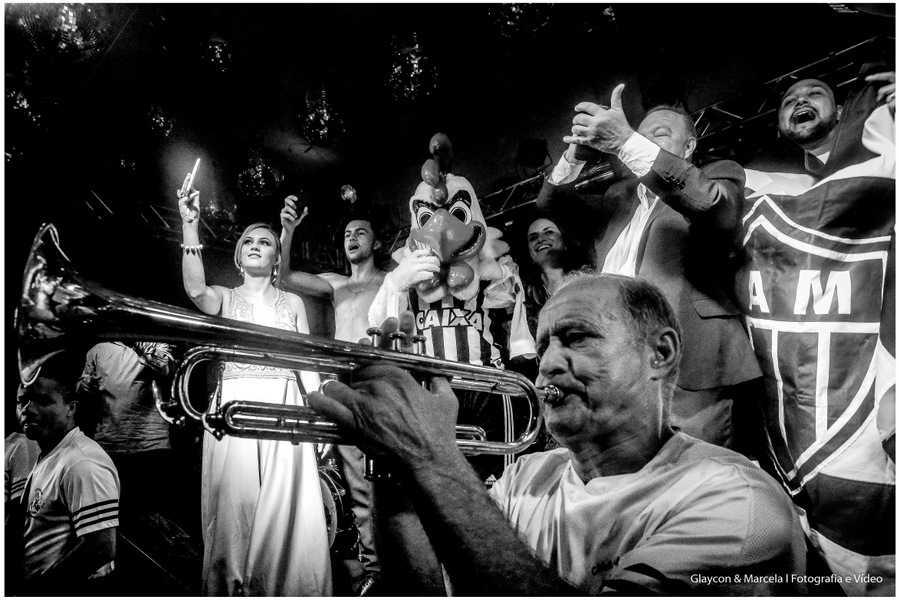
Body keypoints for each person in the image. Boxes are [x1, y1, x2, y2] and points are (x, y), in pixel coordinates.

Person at [308, 273, 808, 595]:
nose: (545, 364)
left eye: (575, 338)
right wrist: (394, 472)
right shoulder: (529, 473)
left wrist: (428, 456)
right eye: (544, 344)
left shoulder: (735, 501)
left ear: (660, 354)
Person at [737, 67, 895, 595]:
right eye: (788, 99)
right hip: (806, 438)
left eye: (815, 94)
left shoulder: (889, 154)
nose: (799, 100)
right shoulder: (768, 190)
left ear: (845, 112)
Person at [537, 85, 761, 449]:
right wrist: (576, 154)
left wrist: (626, 141)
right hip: (617, 364)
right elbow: (551, 203)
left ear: (689, 146)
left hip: (688, 364)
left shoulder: (719, 172)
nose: (642, 142)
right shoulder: (618, 197)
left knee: (696, 480)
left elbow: (712, 205)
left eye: (658, 134)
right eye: (639, 137)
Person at [177, 183, 331, 595]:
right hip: (236, 407)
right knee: (234, 512)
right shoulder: (225, 296)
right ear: (238, 255)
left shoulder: (292, 304)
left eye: (266, 241)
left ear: (277, 256)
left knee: (288, 512)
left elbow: (305, 361)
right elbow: (195, 291)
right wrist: (190, 226)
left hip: (287, 408)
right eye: (248, 241)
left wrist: (319, 416)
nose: (256, 245)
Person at [279, 195, 386, 594]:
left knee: (389, 479)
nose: (352, 238)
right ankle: (374, 567)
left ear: (375, 242)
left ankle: (405, 558)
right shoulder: (337, 284)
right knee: (357, 481)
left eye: (361, 232)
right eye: (347, 234)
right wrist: (288, 231)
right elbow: (285, 279)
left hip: (380, 379)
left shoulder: (390, 280)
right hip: (345, 382)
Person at [14, 354, 120, 596]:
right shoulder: (53, 453)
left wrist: (39, 591)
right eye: (22, 401)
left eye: (42, 400)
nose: (27, 409)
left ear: (71, 408)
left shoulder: (82, 462)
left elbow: (101, 547)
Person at [79, 342, 175, 525]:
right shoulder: (98, 349)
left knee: (152, 520)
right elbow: (81, 383)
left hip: (152, 446)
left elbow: (167, 370)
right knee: (115, 517)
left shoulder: (156, 344)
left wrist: (144, 349)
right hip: (109, 446)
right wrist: (85, 385)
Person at [513, 209, 590, 339]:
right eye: (533, 237)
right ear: (530, 254)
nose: (541, 239)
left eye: (548, 232)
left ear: (565, 242)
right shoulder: (524, 294)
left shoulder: (586, 279)